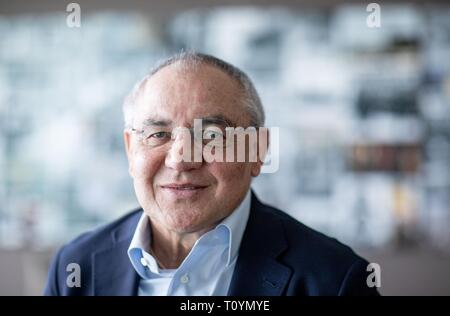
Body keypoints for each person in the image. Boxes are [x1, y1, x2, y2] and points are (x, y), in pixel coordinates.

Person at [44, 52, 379, 296]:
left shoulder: (336, 281)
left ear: (257, 151)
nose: (180, 160)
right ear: (132, 150)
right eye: (158, 134)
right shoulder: (75, 267)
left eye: (211, 135)